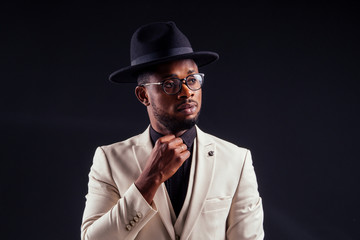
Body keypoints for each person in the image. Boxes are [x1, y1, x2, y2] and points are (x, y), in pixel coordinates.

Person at [81, 21, 264, 240]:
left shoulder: (236, 160)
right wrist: (148, 180)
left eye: (192, 79)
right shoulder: (110, 160)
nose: (187, 92)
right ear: (143, 95)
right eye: (170, 84)